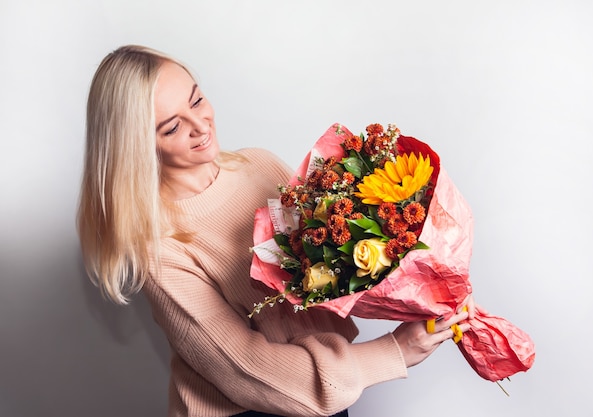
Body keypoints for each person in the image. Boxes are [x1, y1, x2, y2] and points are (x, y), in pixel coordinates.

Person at [77, 45, 474, 417]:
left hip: (329, 395)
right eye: (172, 127)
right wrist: (393, 353)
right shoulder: (159, 249)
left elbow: (333, 263)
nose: (201, 126)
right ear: (137, 146)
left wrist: (427, 288)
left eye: (196, 100)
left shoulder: (259, 165)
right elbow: (246, 370)